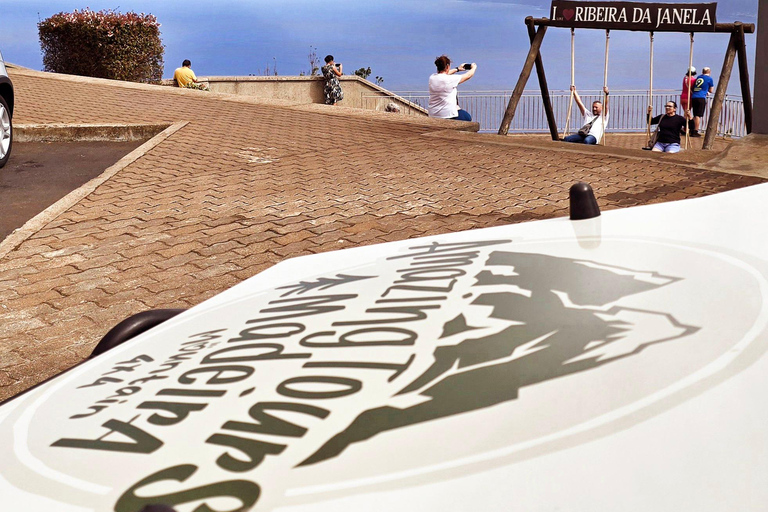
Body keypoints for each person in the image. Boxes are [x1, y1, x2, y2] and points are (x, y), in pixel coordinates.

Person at [428, 55, 476, 121]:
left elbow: (444, 74)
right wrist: (473, 67)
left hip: (433, 114)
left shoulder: (432, 78)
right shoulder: (450, 79)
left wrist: (457, 69)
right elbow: (468, 75)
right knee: (467, 118)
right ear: (447, 66)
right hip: (448, 115)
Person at [690, 67, 715, 137]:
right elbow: (711, 90)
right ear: (709, 72)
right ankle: (695, 131)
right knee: (698, 115)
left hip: (694, 96)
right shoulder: (709, 79)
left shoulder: (698, 77)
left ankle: (692, 129)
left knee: (695, 115)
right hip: (701, 97)